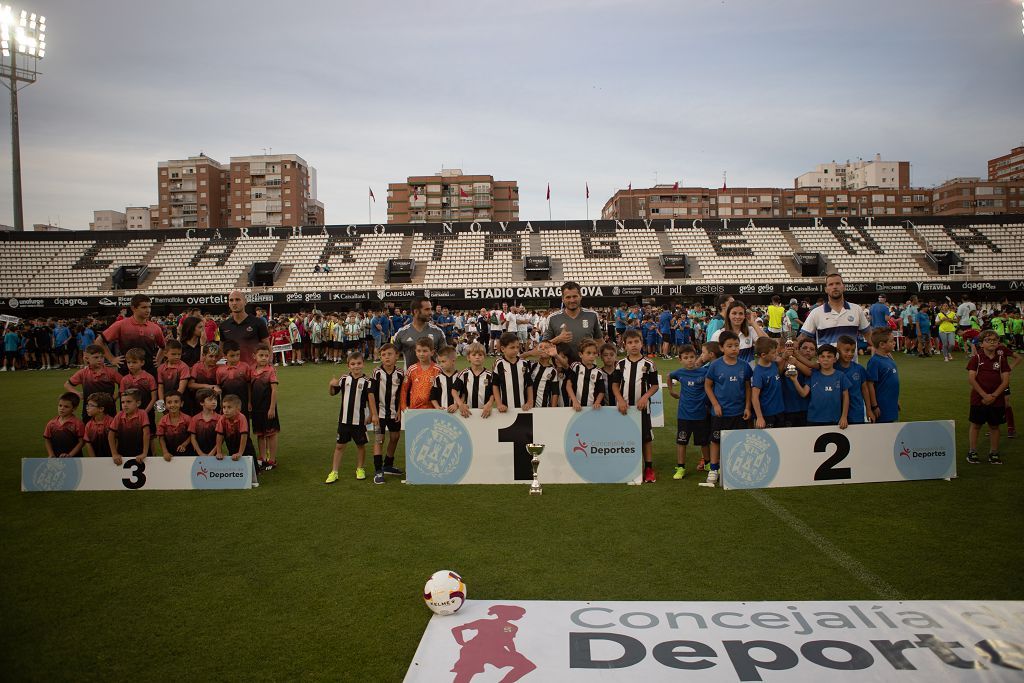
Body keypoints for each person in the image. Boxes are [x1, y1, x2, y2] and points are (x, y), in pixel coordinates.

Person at [703, 331, 752, 487]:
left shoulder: (744, 366)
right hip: (720, 412)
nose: (734, 349)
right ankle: (714, 468)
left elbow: (748, 387)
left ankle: (737, 469)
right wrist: (715, 404)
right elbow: (708, 386)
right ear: (721, 348)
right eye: (729, 346)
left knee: (739, 441)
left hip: (738, 412)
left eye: (736, 345)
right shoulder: (715, 365)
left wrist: (747, 407)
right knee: (715, 440)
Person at [612, 329, 658, 482]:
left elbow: (655, 385)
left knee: (646, 438)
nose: (633, 345)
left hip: (642, 409)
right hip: (625, 409)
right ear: (624, 345)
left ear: (642, 343)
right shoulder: (620, 364)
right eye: (630, 343)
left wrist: (645, 397)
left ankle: (649, 468)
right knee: (625, 437)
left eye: (636, 342)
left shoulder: (649, 363)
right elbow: (615, 385)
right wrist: (620, 400)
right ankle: (628, 466)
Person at [325, 351, 376, 483]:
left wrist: (371, 414)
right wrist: (331, 385)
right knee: (339, 446)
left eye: (358, 363)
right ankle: (334, 471)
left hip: (359, 421)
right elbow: (332, 393)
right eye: (353, 364)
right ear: (348, 366)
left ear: (363, 364)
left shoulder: (367, 381)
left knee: (360, 445)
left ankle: (360, 468)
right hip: (343, 421)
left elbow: (370, 399)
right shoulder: (343, 379)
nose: (356, 366)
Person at [966, 330, 1011, 465]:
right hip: (978, 399)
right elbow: (971, 379)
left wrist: (994, 395)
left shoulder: (1001, 360)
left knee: (994, 426)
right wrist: (985, 395)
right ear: (981, 344)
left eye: (995, 340)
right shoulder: (976, 358)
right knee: (976, 425)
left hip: (996, 400)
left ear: (998, 343)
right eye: (988, 340)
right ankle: (972, 451)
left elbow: (1005, 381)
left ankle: (994, 453)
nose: (992, 342)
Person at [96, 293, 166, 376]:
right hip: (126, 371)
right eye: (144, 307)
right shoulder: (120, 325)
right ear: (133, 308)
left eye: (149, 307)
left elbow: (163, 347)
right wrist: (111, 359)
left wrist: (158, 360)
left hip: (149, 371)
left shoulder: (155, 328)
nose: (148, 310)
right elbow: (99, 341)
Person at [668, 344, 709, 480]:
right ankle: (681, 467)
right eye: (686, 358)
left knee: (704, 442)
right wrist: (671, 391)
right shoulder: (679, 373)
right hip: (684, 415)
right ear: (680, 359)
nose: (689, 360)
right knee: (682, 441)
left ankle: (708, 464)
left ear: (696, 357)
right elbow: (669, 376)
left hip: (701, 414)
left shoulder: (704, 372)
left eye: (692, 357)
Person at [799, 274, 870, 347]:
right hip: (826, 358)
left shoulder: (856, 309)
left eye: (838, 283)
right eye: (831, 284)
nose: (835, 287)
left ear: (844, 287)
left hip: (851, 359)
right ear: (826, 289)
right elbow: (803, 338)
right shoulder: (816, 313)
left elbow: (869, 335)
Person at [788, 344, 850, 428]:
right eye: (822, 356)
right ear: (818, 359)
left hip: (834, 419)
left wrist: (844, 417)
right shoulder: (813, 374)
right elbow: (803, 393)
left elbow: (846, 397)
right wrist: (795, 380)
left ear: (835, 359)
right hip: (814, 419)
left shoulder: (840, 376)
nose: (825, 359)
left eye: (829, 356)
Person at [369, 342, 405, 483]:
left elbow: (403, 393)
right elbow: (371, 394)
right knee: (379, 439)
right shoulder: (376, 373)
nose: (386, 357)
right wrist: (374, 414)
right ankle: (378, 471)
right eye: (383, 355)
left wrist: (399, 410)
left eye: (389, 354)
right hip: (380, 414)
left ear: (397, 356)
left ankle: (388, 465)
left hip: (394, 413)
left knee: (395, 437)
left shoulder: (401, 373)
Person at [544, 282, 603, 362]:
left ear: (580, 296)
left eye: (575, 296)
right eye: (568, 297)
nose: (572, 300)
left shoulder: (592, 315)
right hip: (563, 368)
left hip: (587, 368)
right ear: (562, 298)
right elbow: (543, 346)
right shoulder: (553, 318)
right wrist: (558, 339)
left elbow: (599, 341)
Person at [65, 344, 122, 419]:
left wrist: (117, 394)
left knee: (109, 429)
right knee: (88, 428)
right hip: (89, 411)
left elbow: (125, 383)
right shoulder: (83, 373)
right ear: (87, 358)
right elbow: (67, 384)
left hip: (108, 410)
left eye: (102, 357)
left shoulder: (111, 372)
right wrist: (77, 393)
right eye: (96, 357)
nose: (100, 359)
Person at [219, 289, 270, 367]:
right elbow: (221, 349)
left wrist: (269, 366)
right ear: (228, 303)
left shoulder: (258, 322)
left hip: (254, 372)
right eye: (231, 300)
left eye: (238, 299)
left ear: (245, 302)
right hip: (234, 373)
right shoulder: (224, 326)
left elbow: (267, 346)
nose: (234, 303)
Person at [250, 343, 280, 470]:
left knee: (271, 433)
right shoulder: (251, 370)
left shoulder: (270, 370)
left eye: (266, 356)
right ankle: (262, 458)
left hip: (268, 407)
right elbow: (249, 388)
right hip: (257, 407)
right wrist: (249, 403)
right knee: (260, 433)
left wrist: (272, 407)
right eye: (261, 355)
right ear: (254, 356)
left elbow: (274, 390)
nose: (263, 358)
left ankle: (272, 460)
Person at [393, 296, 446, 368]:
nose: (431, 312)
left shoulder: (438, 332)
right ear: (416, 311)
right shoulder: (401, 333)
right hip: (411, 379)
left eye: (430, 309)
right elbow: (392, 358)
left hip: (433, 378)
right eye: (427, 309)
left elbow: (445, 358)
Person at [710, 300, 765, 366]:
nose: (738, 317)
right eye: (734, 313)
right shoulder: (718, 334)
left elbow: (766, 344)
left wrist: (753, 323)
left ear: (745, 316)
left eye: (741, 313)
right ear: (728, 315)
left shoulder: (751, 330)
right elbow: (713, 358)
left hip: (748, 374)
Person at [492, 332, 535, 412]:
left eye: (517, 347)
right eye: (512, 347)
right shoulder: (499, 364)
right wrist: (499, 404)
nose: (516, 350)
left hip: (523, 407)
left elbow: (529, 384)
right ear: (503, 349)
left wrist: (529, 402)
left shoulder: (524, 363)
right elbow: (495, 385)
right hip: (505, 408)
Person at [400, 337, 442, 417]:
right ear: (415, 352)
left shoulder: (438, 370)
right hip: (414, 410)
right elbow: (404, 389)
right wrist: (403, 406)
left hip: (434, 410)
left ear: (432, 352)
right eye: (419, 351)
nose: (421, 354)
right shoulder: (411, 369)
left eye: (425, 351)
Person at [866, 328, 900, 424]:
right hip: (882, 406)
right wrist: (874, 406)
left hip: (891, 403)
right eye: (891, 341)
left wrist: (896, 400)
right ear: (882, 345)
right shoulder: (874, 362)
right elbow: (870, 384)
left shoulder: (889, 358)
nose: (894, 343)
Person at [750, 337, 785, 429]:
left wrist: (781, 361)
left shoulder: (772, 363)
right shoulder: (759, 372)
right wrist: (760, 417)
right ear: (763, 355)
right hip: (767, 414)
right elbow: (754, 397)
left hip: (779, 410)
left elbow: (778, 375)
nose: (776, 354)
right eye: (773, 353)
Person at [109, 388, 150, 465]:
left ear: (138, 403)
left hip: (140, 455)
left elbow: (146, 433)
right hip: (122, 455)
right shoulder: (119, 415)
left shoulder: (142, 413)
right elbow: (111, 434)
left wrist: (144, 453)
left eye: (128, 402)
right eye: (122, 402)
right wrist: (114, 454)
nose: (125, 405)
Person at [564, 337, 606, 411]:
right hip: (575, 406)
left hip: (592, 409)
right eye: (588, 353)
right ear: (581, 354)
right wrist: (574, 401)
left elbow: (601, 391)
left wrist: (597, 402)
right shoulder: (576, 366)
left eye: (594, 353)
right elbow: (568, 385)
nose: (591, 356)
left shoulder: (598, 372)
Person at [216, 340, 251, 418]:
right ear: (225, 356)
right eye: (232, 356)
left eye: (238, 355)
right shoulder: (220, 370)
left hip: (243, 404)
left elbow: (249, 385)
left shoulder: (245, 367)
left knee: (244, 425)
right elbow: (218, 387)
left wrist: (249, 402)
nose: (236, 358)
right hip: (227, 406)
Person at [43, 392, 85, 458]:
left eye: (66, 406)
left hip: (74, 459)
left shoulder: (78, 423)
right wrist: (51, 454)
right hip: (56, 459)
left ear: (74, 408)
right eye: (60, 405)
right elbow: (47, 440)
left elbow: (82, 442)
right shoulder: (51, 423)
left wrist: (70, 455)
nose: (62, 408)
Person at [157, 391, 193, 460]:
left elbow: (192, 435)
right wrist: (165, 452)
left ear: (181, 403)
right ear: (165, 405)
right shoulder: (162, 421)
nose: (173, 405)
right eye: (169, 402)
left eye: (176, 402)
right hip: (170, 454)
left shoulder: (188, 419)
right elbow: (161, 438)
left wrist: (184, 445)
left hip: (188, 454)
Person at [157, 339, 191, 409]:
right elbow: (160, 386)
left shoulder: (184, 367)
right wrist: (161, 402)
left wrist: (173, 402)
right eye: (173, 354)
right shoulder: (160, 368)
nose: (177, 357)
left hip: (180, 400)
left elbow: (181, 388)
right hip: (167, 401)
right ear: (165, 353)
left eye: (179, 354)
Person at [216, 394, 250, 463]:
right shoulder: (222, 419)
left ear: (238, 409)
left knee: (251, 468)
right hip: (231, 445)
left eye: (229, 407)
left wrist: (240, 453)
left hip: (245, 446)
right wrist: (219, 452)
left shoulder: (242, 418)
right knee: (234, 466)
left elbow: (244, 436)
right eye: (224, 407)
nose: (225, 410)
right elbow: (219, 435)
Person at [189, 389, 221, 457]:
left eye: (215, 399)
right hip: (198, 455)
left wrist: (212, 453)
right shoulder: (195, 419)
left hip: (216, 455)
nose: (214, 402)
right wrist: (200, 453)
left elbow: (221, 438)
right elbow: (193, 438)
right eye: (210, 400)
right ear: (201, 403)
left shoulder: (220, 419)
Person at [82, 392, 115, 459]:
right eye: (87, 405)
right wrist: (94, 460)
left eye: (91, 405)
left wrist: (114, 455)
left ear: (101, 409)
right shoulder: (88, 425)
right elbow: (88, 444)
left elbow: (117, 441)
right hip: (97, 461)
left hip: (113, 459)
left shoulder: (112, 422)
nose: (87, 408)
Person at [430, 346, 459, 412]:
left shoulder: (460, 377)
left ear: (453, 361)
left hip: (458, 411)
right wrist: (437, 407)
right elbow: (433, 397)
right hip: (443, 412)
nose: (441, 364)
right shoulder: (438, 378)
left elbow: (464, 394)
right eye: (439, 362)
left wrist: (456, 405)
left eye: (443, 361)